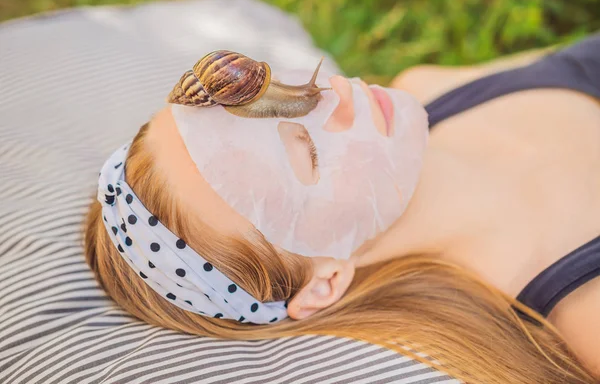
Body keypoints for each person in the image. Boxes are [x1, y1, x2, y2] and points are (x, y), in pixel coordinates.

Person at [84, 34, 600, 383]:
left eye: (270, 93)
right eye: (307, 153)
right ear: (325, 281)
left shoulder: (428, 86)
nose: (333, 96)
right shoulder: (587, 316)